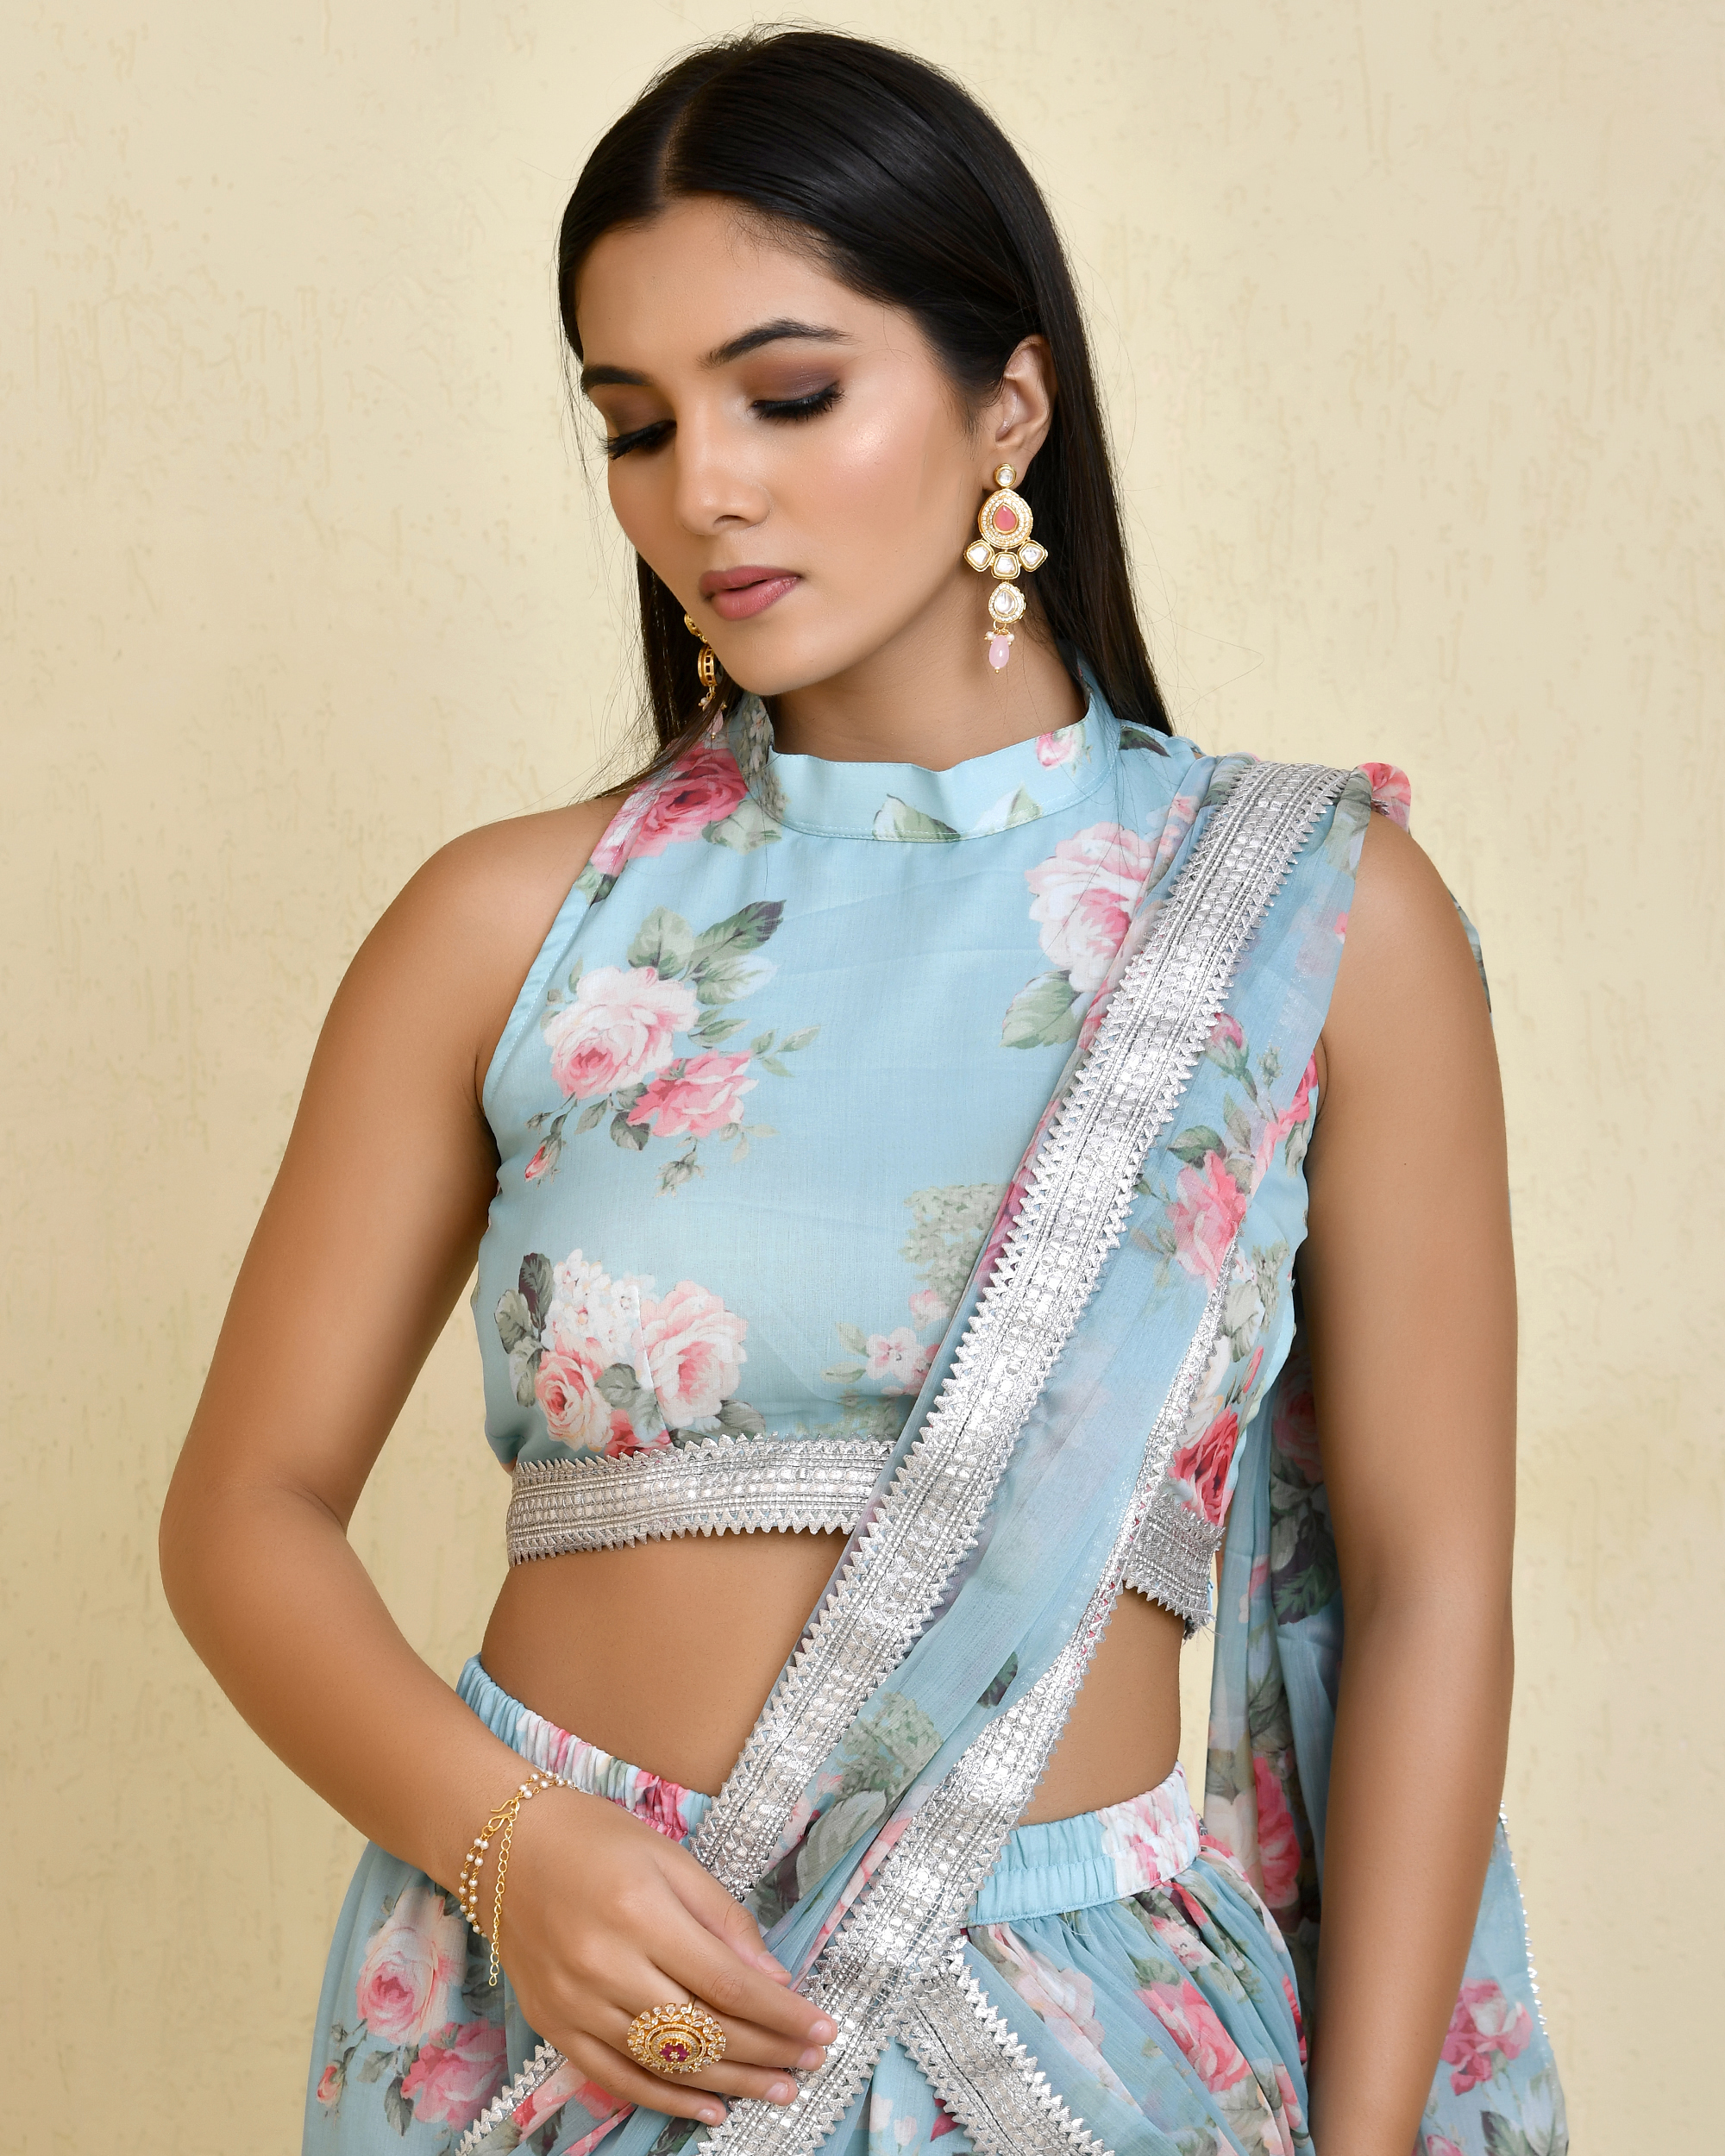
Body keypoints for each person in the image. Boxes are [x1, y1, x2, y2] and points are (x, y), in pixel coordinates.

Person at [160, 28, 1564, 2156]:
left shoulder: (1310, 913)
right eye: (635, 425)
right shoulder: (506, 924)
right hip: (563, 2024)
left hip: (1092, 2046)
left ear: (1010, 403)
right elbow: (242, 1511)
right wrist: (505, 1849)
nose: (701, 488)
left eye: (787, 394)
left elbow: (1427, 1582)